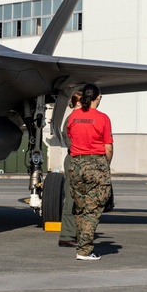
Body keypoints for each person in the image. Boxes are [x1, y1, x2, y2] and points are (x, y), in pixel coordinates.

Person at [66, 83, 113, 261]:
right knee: (93, 209)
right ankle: (84, 249)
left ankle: (82, 243)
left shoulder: (73, 117)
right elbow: (108, 147)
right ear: (97, 97)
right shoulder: (102, 118)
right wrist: (104, 165)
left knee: (80, 207)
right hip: (95, 163)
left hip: (76, 164)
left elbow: (71, 137)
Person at [57, 91, 83, 248]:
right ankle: (67, 234)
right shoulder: (71, 120)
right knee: (71, 197)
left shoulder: (76, 119)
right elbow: (72, 144)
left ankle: (75, 233)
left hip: (78, 158)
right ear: (78, 103)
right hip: (74, 158)